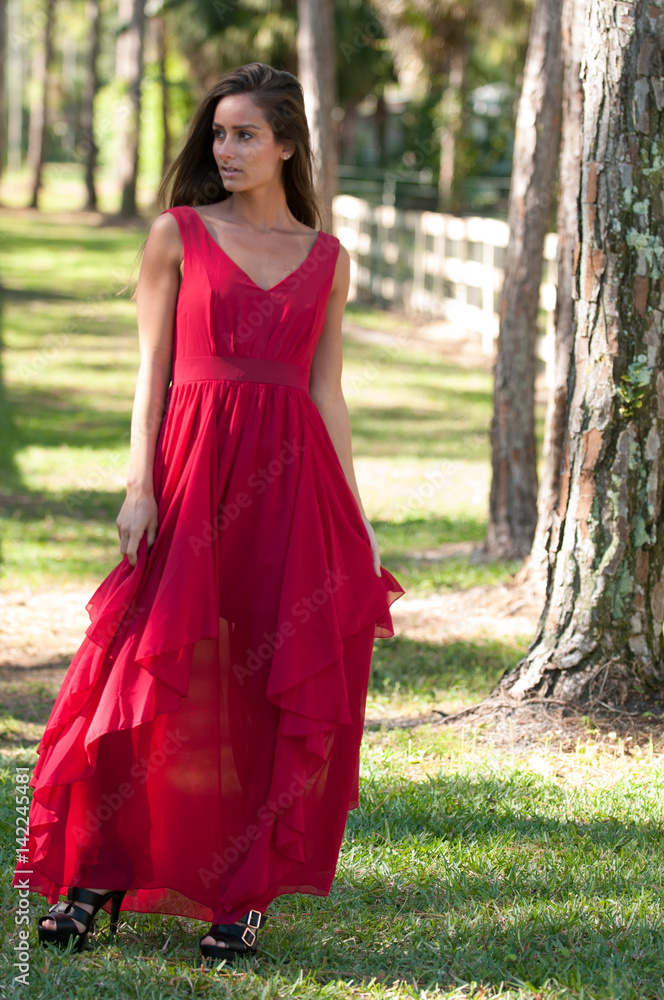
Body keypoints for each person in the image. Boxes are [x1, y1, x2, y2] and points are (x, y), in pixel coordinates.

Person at [14, 61, 404, 964]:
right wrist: (138, 484)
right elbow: (151, 371)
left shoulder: (326, 257)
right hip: (191, 472)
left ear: (288, 146)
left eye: (245, 135)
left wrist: (354, 509)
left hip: (292, 480)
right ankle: (100, 870)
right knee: (145, 664)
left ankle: (245, 892)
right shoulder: (177, 235)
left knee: (269, 679)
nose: (225, 150)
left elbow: (328, 394)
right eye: (219, 134)